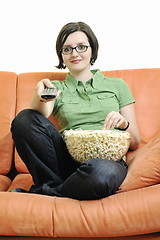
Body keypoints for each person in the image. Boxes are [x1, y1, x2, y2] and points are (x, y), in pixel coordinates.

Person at [11, 22, 140, 200]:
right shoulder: (56, 87)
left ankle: (47, 192)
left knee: (101, 174)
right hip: (66, 161)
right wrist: (39, 96)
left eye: (81, 47)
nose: (74, 53)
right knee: (24, 118)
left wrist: (123, 124)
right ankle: (63, 187)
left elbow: (134, 141)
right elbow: (36, 116)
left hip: (106, 163)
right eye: (67, 49)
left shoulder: (117, 85)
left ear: (92, 49)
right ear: (61, 55)